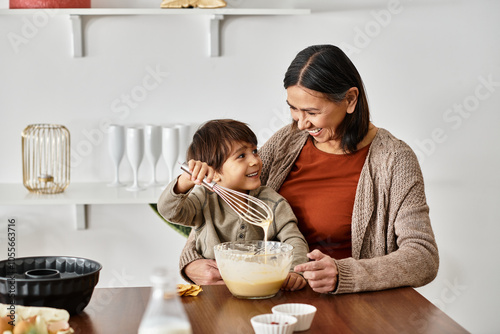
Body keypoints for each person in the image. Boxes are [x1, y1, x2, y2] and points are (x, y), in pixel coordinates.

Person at [177, 45, 439, 295]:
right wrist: (191, 261)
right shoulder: (286, 142)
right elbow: (230, 199)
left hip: (356, 306)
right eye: (293, 108)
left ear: (350, 99)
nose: (301, 123)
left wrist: (344, 274)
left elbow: (422, 257)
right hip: (277, 297)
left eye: (312, 111)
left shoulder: (394, 160)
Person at [157, 119, 309, 291]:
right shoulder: (203, 199)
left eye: (254, 151)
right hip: (214, 291)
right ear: (213, 173)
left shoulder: (271, 201)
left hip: (258, 287)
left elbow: (293, 239)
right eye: (241, 156)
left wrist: (295, 271)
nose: (255, 161)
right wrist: (184, 181)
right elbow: (168, 210)